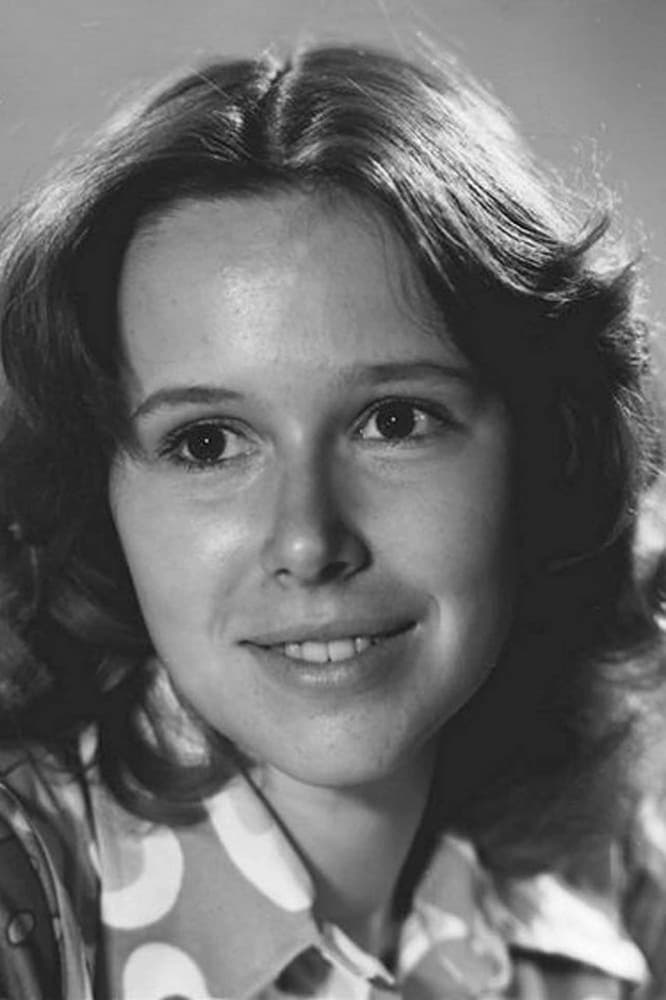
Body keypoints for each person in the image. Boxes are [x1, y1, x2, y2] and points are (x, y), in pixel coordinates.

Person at [0, 40, 662, 1000]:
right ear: (95, 497)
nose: (309, 543)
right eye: (206, 443)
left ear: (544, 454)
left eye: (395, 421)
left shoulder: (620, 898)